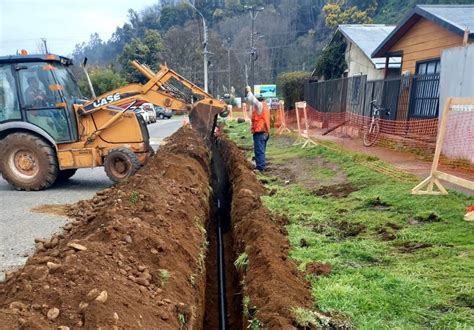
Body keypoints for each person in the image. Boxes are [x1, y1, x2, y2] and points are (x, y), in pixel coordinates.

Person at [245, 86, 270, 172]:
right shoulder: (264, 106)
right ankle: (260, 165)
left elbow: (252, 100)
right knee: (260, 150)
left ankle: (260, 168)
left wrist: (249, 91)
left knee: (259, 151)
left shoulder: (259, 106)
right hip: (264, 132)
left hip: (260, 132)